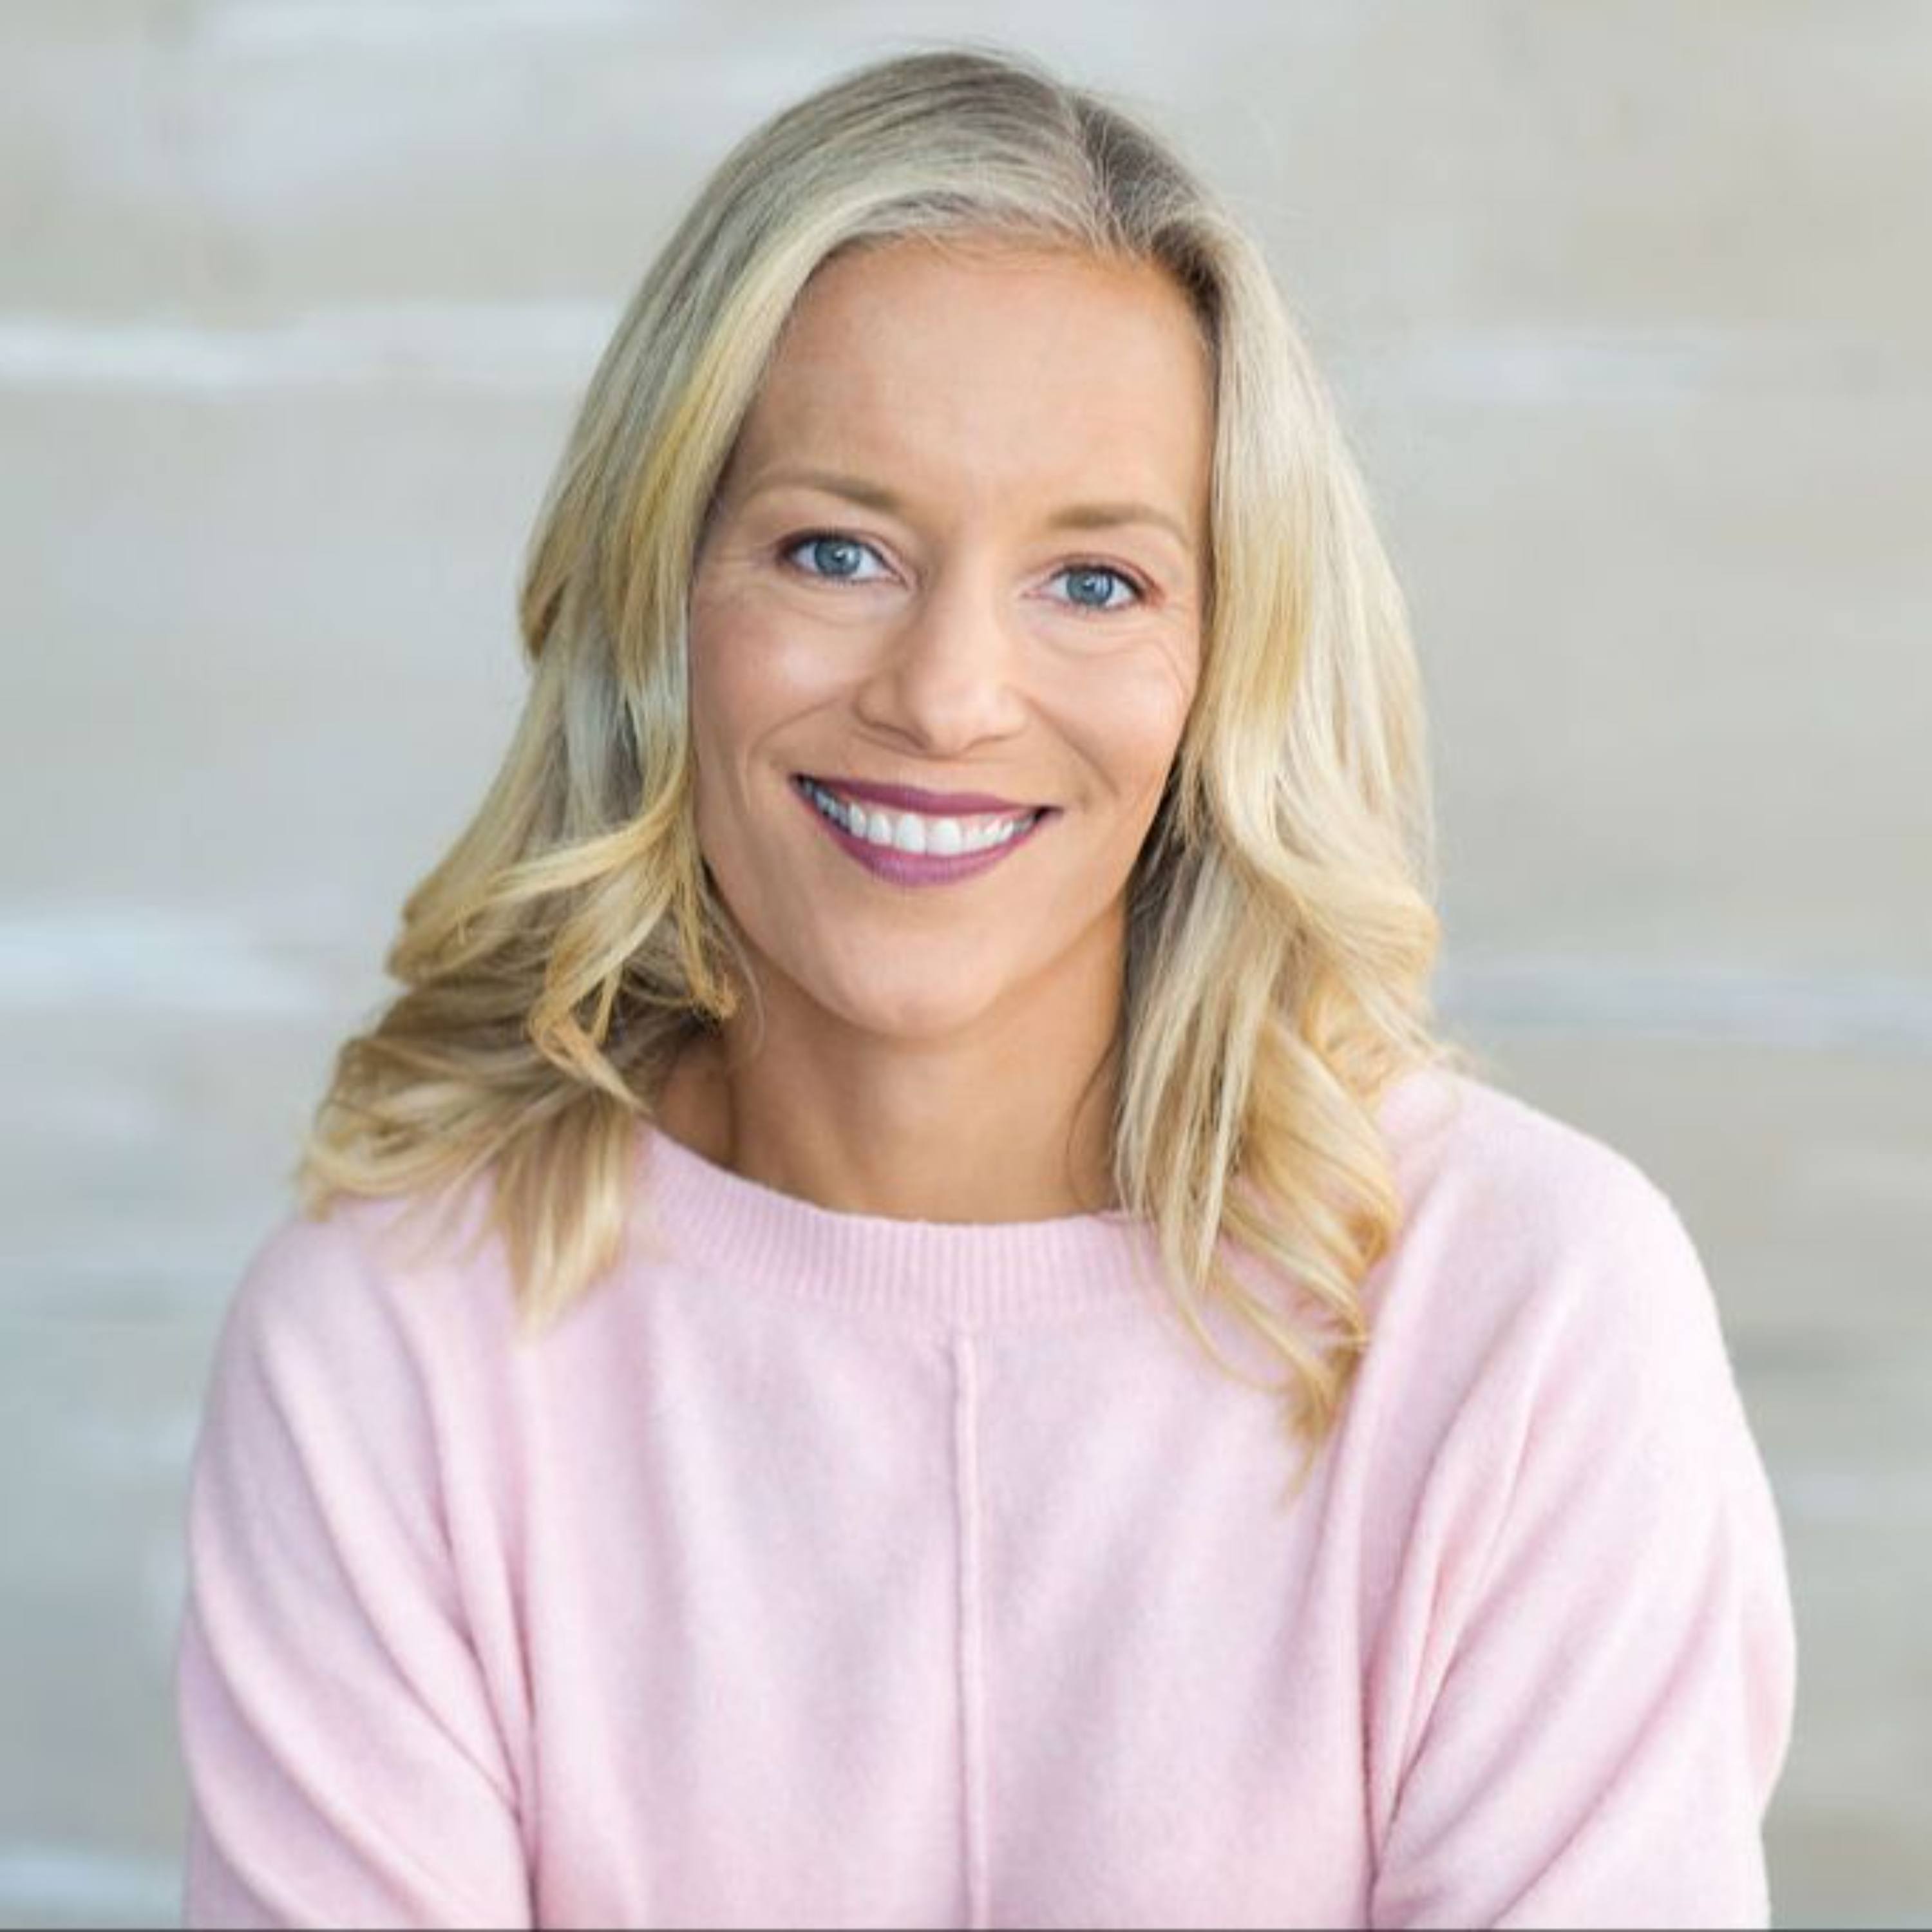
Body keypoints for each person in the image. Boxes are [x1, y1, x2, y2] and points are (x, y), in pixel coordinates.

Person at [172, 44, 1795, 1929]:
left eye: (1094, 582)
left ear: (1226, 664)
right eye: (836, 551)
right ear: (661, 596)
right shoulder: (394, 1342)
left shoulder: (1526, 1313)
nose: (948, 698)